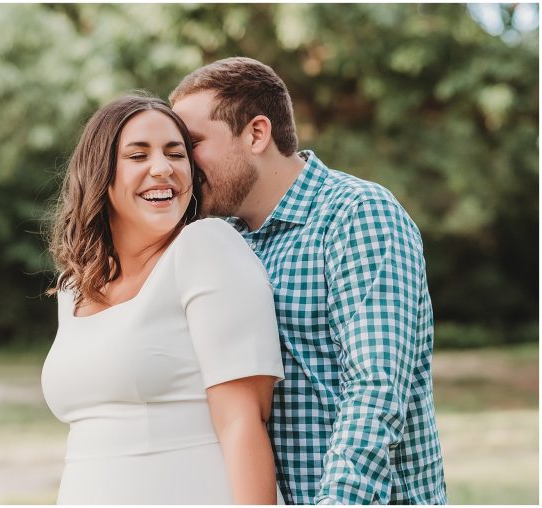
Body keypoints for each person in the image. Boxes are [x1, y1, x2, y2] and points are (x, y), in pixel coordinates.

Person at [169, 56, 447, 504]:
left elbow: (374, 391)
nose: (179, 162)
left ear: (257, 133)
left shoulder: (357, 214)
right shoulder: (220, 243)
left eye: (192, 142)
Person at [41, 95, 285, 504]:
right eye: (138, 155)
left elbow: (243, 422)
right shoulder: (74, 285)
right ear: (99, 172)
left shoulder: (206, 247)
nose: (162, 168)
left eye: (176, 153)